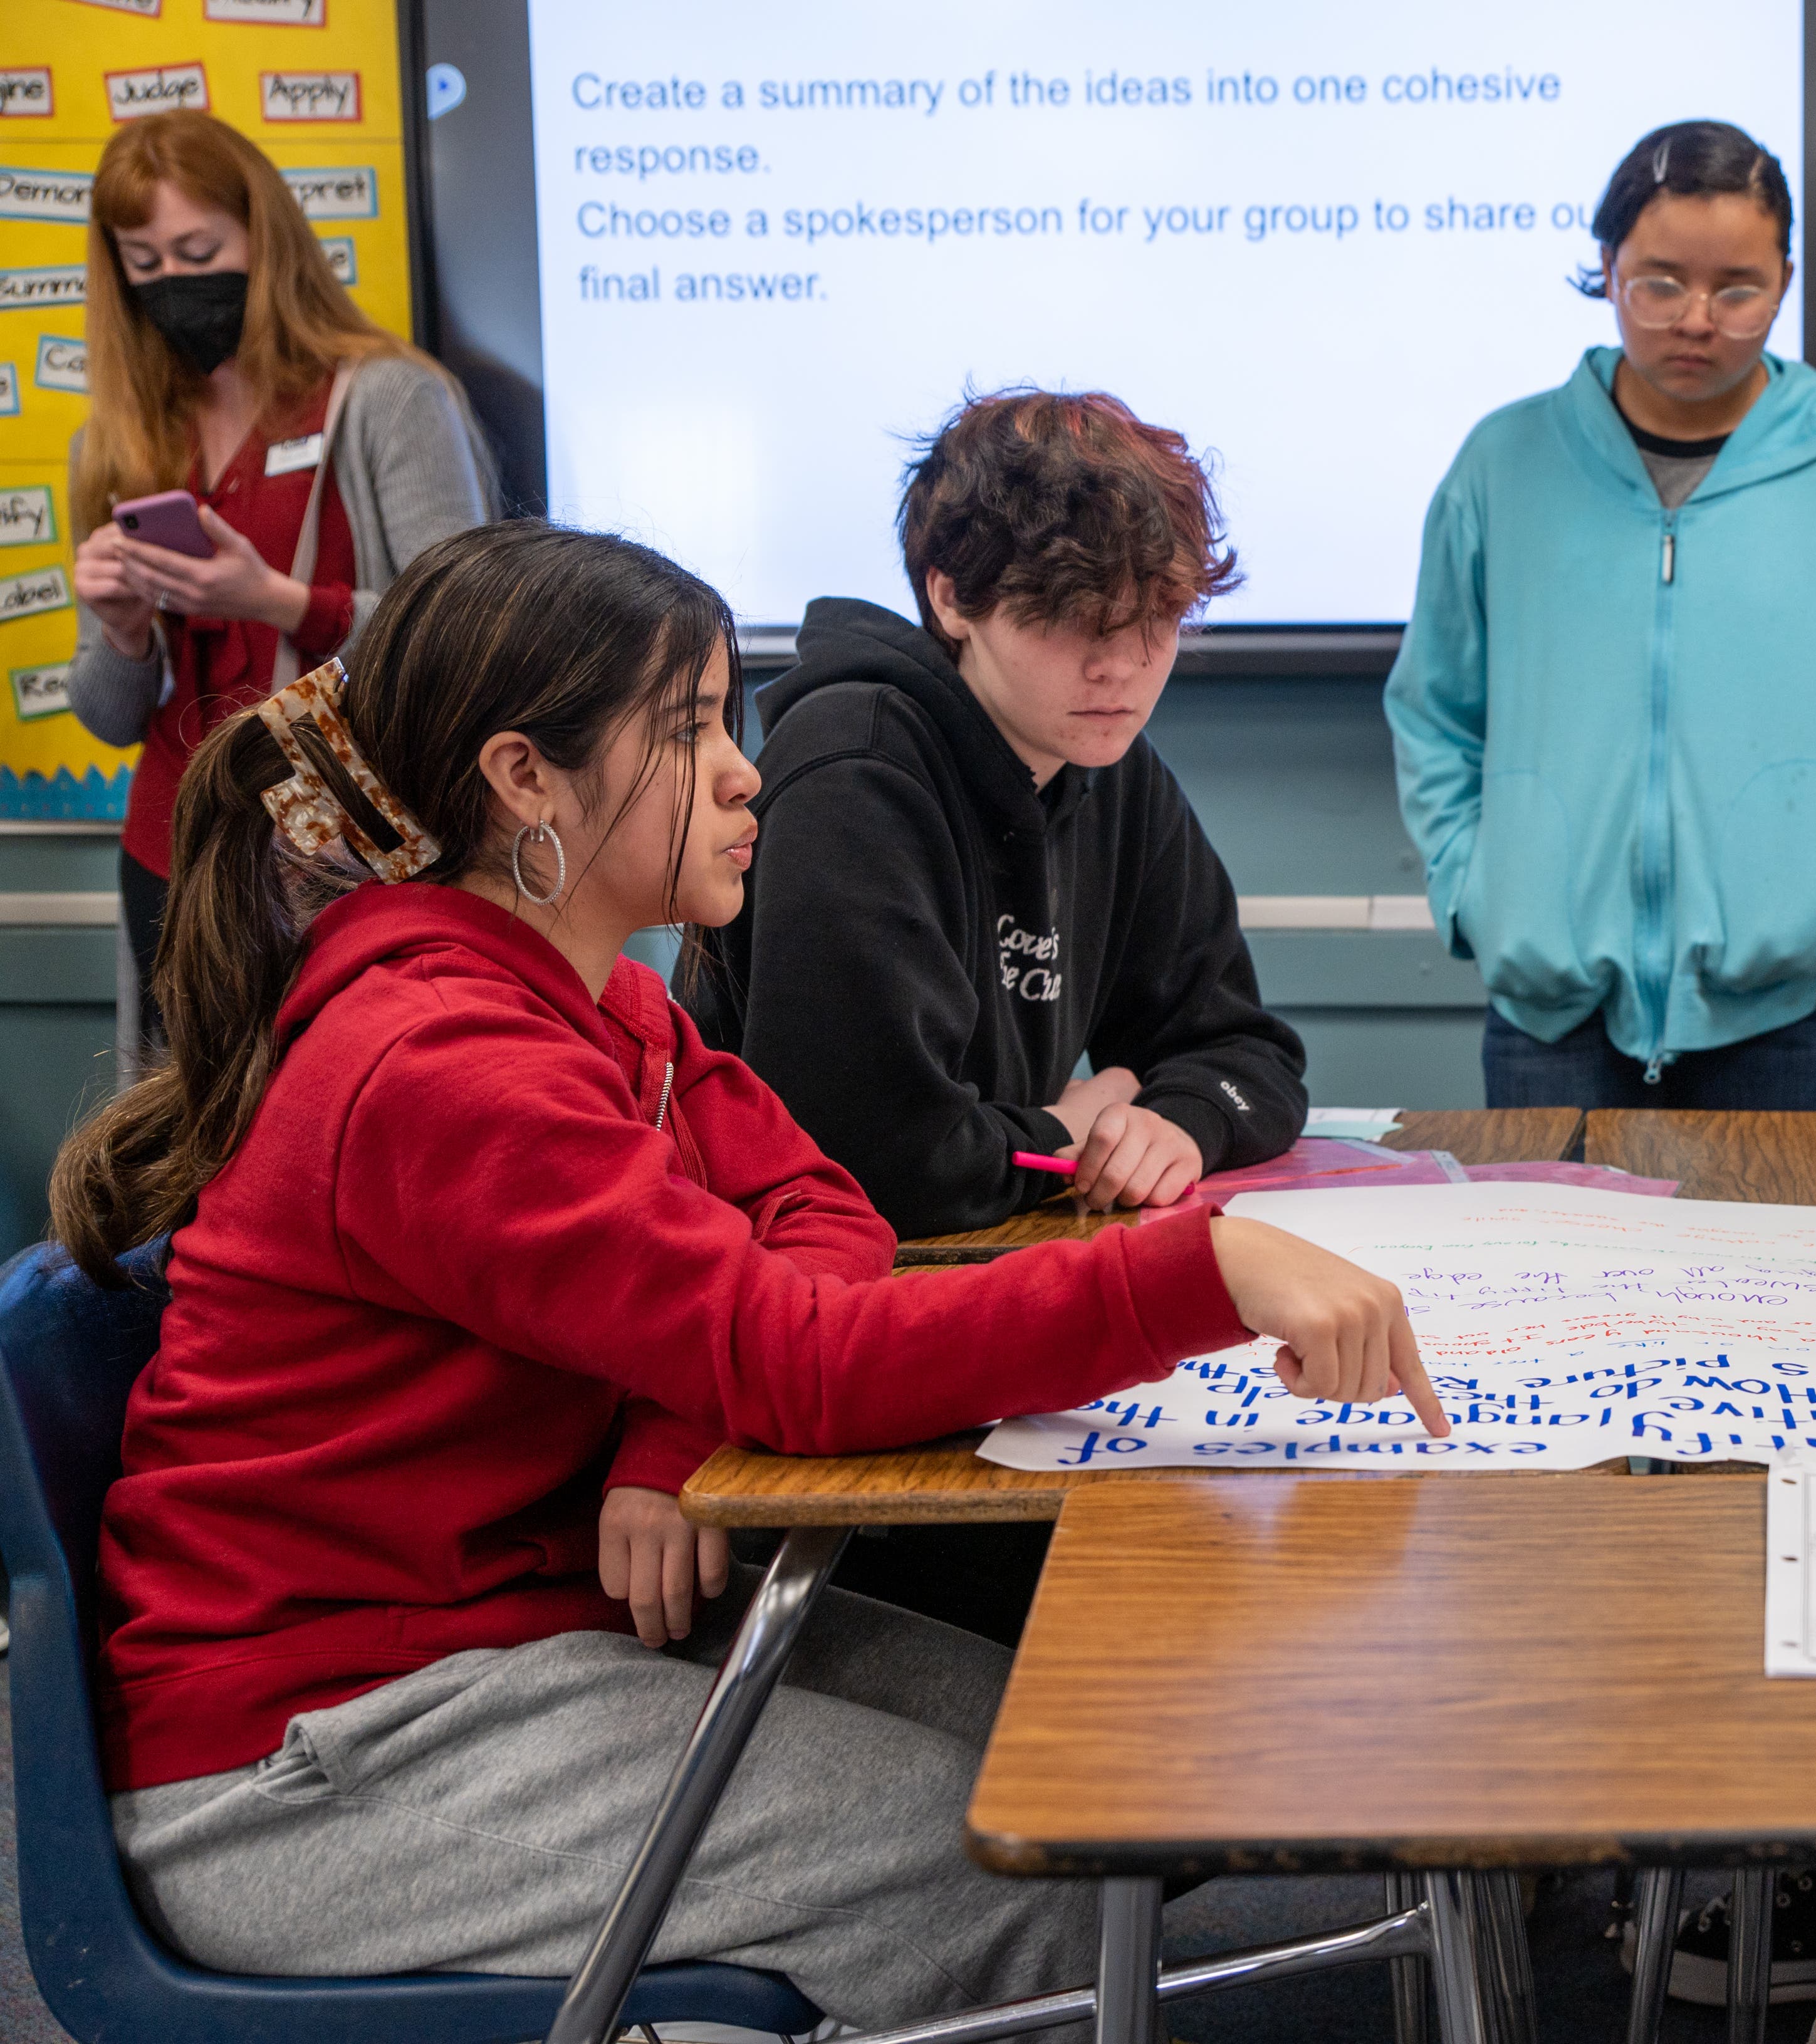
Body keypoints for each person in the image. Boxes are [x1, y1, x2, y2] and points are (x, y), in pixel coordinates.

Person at [53, 521, 1441, 2031]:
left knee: (1101, 1756)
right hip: (316, 1756)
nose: (742, 771)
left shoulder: (605, 1013)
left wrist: (669, 1432)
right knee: (1027, 1855)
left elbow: (813, 1206)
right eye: (689, 727)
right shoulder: (436, 1059)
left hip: (505, 1641)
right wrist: (1205, 1267)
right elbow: (801, 1351)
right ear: (526, 779)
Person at [1387, 120, 1816, 1111]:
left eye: (1738, 288)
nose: (1698, 320)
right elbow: (1436, 708)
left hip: (1788, 995)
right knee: (1552, 1268)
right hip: (1549, 999)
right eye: (1661, 282)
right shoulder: (1505, 461)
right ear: (1609, 269)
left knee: (1758, 1267)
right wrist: (1479, 889)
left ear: (1785, 279)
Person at [691, 388, 1304, 1238]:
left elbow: (1251, 1056)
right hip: (812, 1285)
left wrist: (1181, 1124)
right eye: (1072, 616)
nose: (1119, 669)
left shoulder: (1108, 766)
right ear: (951, 598)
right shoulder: (855, 772)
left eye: (1154, 620)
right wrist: (1069, 1129)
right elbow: (871, 1164)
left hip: (965, 1256)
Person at [64, 110, 497, 1040]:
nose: (175, 282)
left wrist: (279, 603)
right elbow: (105, 716)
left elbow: (467, 635)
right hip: (173, 852)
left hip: (336, 849)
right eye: (145, 265)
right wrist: (123, 630)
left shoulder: (386, 396)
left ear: (264, 234)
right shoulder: (116, 439)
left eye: (197, 248)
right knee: (187, 1149)